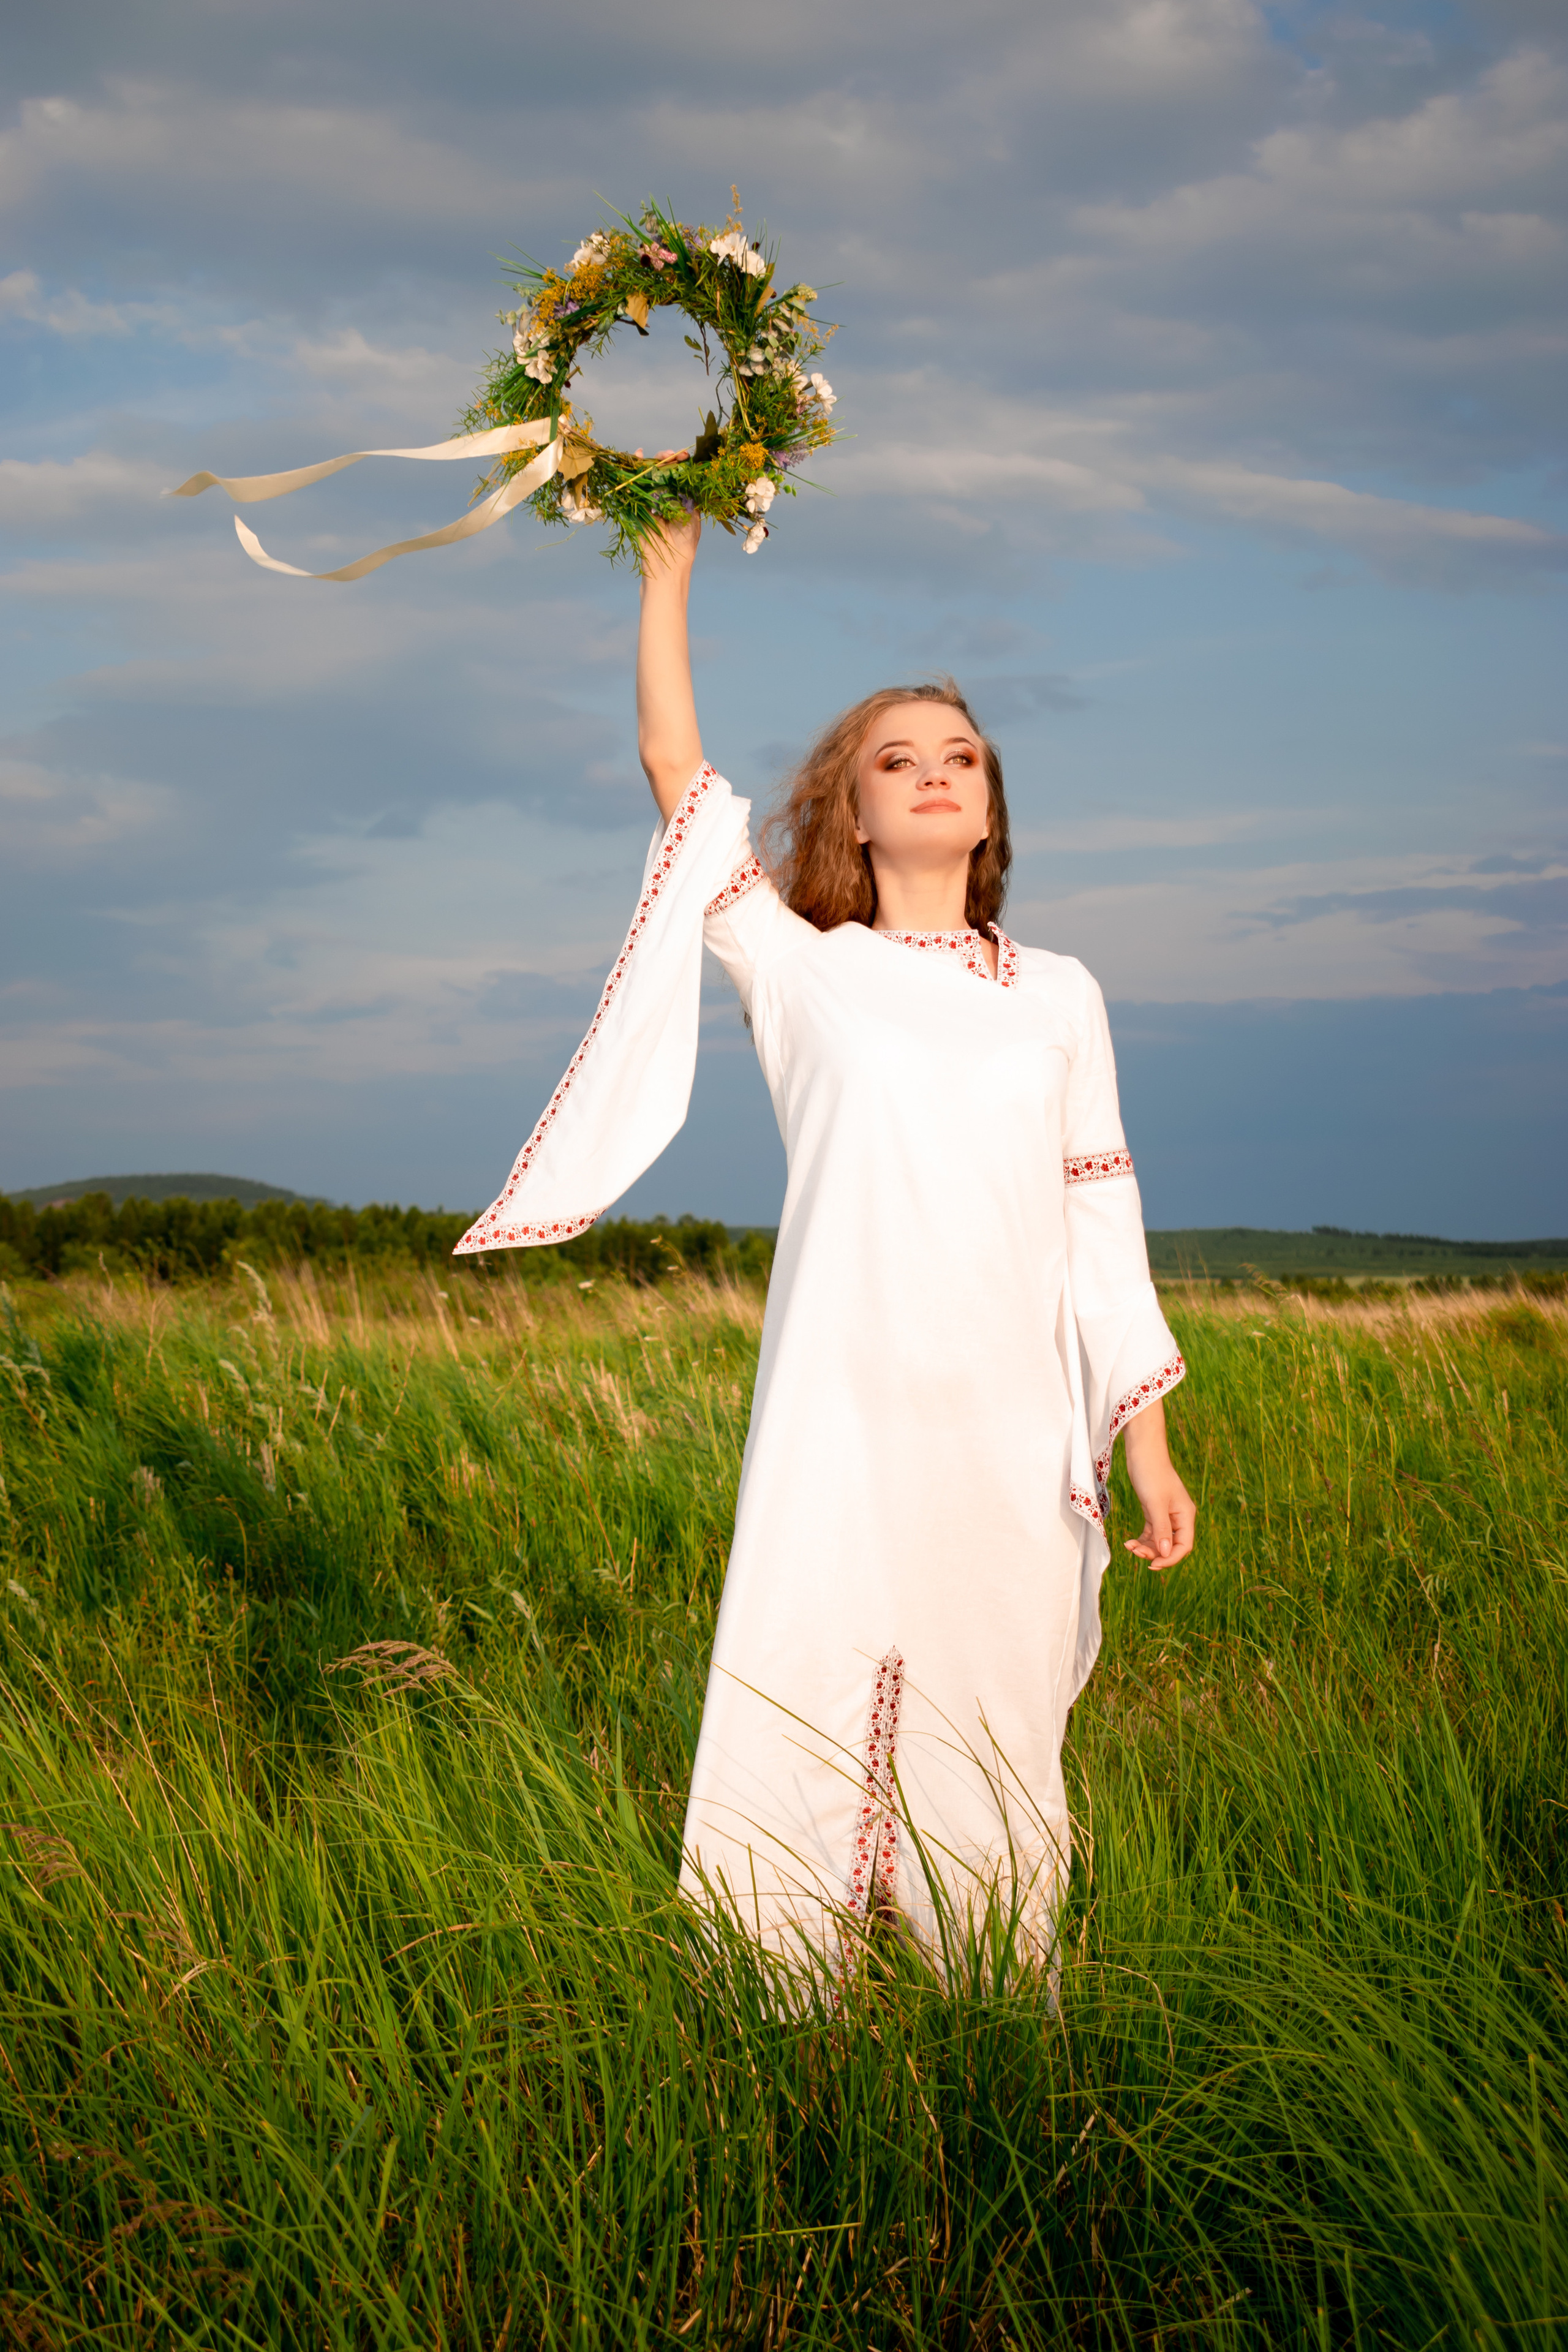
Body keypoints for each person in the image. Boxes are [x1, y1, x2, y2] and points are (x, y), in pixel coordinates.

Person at [456, 512, 1196, 1970]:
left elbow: (1098, 1214)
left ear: (988, 811)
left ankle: (991, 1990)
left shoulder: (1060, 992)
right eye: (896, 760)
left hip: (1008, 1415)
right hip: (843, 1407)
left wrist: (1148, 1442)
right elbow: (678, 776)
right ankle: (781, 1989)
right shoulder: (805, 973)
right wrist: (665, 569)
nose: (933, 774)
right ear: (851, 813)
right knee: (809, 1663)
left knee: (993, 1703)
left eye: (959, 758)